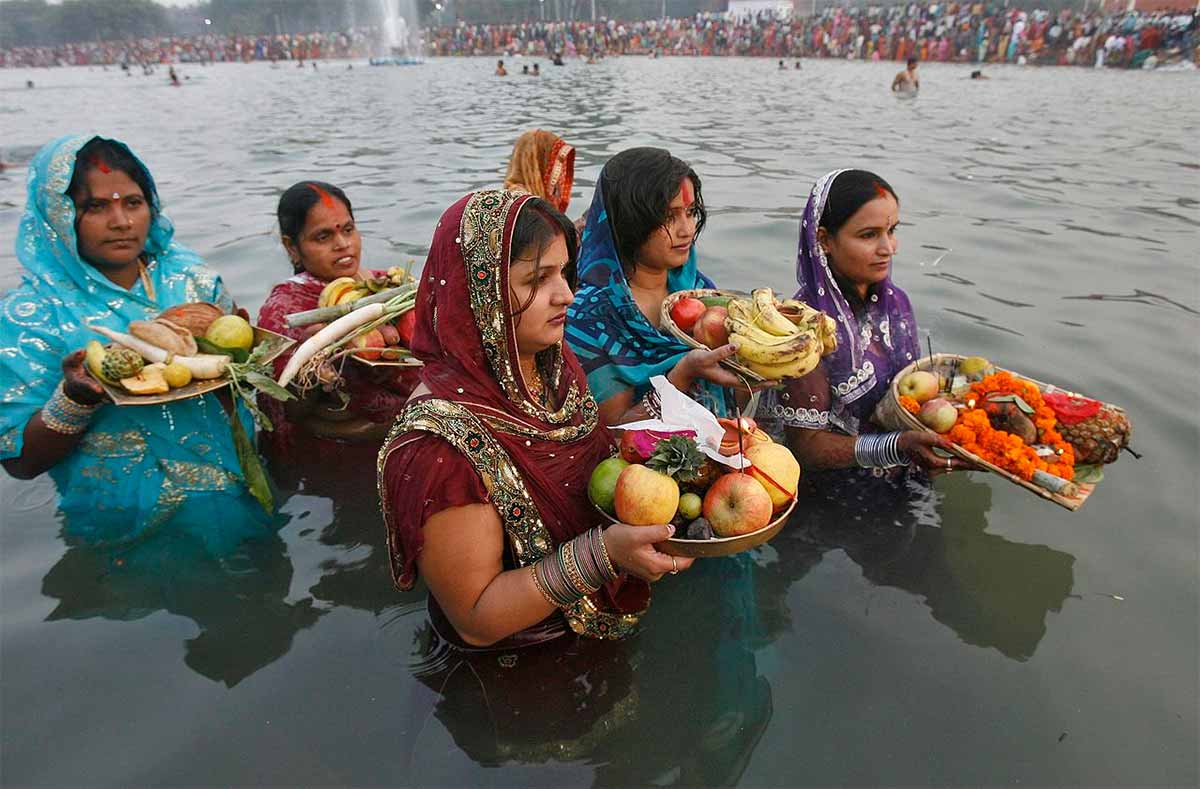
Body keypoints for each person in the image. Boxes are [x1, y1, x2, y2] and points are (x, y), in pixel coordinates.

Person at [379, 189, 690, 649]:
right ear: (479, 294)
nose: (566, 295)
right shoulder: (437, 445)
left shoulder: (550, 366)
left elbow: (601, 459)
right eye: (536, 279)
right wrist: (603, 554)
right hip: (516, 671)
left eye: (564, 273)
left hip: (596, 635)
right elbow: (476, 618)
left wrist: (683, 382)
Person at [0, 135, 273, 553]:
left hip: (234, 496)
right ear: (58, 215)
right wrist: (74, 398)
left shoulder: (192, 280)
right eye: (95, 206)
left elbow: (242, 390)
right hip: (121, 525)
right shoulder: (32, 315)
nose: (121, 221)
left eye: (132, 202)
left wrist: (246, 360)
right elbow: (21, 461)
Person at [765, 169, 967, 488]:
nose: (888, 248)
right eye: (869, 235)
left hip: (907, 475)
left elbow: (909, 393)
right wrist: (896, 447)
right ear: (824, 240)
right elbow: (805, 449)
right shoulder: (805, 329)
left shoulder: (895, 303)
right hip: (835, 500)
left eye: (892, 230)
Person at [565, 147, 742, 425]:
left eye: (691, 212)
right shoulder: (588, 317)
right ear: (629, 222)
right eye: (669, 217)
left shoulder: (698, 290)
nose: (687, 230)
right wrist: (682, 374)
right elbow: (613, 433)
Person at [256, 181, 417, 445]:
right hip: (331, 457)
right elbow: (288, 409)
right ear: (291, 247)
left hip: (402, 438)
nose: (342, 244)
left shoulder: (390, 286)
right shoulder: (285, 308)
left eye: (348, 230)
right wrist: (315, 360)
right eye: (323, 237)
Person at [502, 128, 576, 216]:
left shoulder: (529, 196)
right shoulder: (523, 203)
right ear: (541, 162)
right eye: (555, 164)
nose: (560, 174)